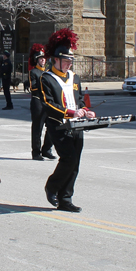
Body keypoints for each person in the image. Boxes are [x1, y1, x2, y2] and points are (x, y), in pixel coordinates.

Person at [40, 28, 95, 213]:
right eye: (66, 60)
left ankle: (65, 198)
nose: (69, 64)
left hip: (77, 125)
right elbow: (48, 104)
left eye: (70, 61)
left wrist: (85, 111)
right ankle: (52, 186)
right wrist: (71, 113)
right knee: (68, 158)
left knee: (75, 162)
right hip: (59, 126)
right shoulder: (46, 78)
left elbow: (79, 100)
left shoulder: (75, 78)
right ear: (55, 60)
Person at [28, 43, 55, 161]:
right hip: (38, 102)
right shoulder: (33, 72)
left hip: (48, 102)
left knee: (53, 126)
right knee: (37, 128)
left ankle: (47, 149)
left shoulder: (49, 72)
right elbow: (33, 87)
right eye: (40, 59)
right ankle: (36, 152)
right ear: (37, 60)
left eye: (44, 58)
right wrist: (43, 82)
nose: (43, 60)